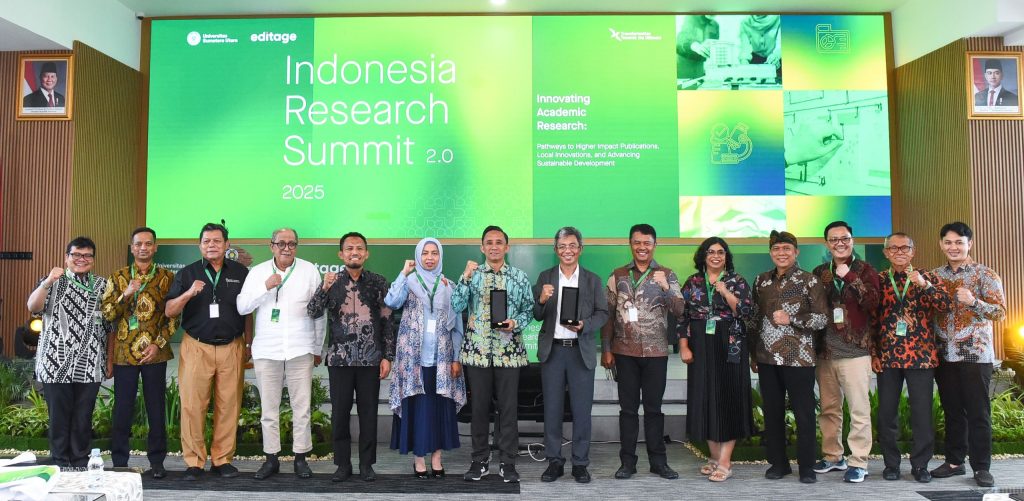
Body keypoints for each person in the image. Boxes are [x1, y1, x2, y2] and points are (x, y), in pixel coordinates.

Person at [237, 228, 325, 480]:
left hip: (300, 347)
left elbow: (319, 311)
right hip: (267, 349)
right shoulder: (257, 272)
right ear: (271, 246)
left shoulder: (309, 270)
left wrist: (317, 347)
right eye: (281, 243)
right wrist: (265, 287)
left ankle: (300, 458)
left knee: (301, 407)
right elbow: (242, 307)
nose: (287, 248)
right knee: (269, 408)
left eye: (292, 244)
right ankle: (271, 458)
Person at [164, 222, 251, 481]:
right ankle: (194, 462)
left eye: (216, 241)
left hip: (232, 345)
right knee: (193, 406)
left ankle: (222, 459)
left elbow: (248, 311)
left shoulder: (240, 272)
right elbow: (169, 310)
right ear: (199, 245)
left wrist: (248, 343)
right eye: (206, 241)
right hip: (196, 346)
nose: (211, 245)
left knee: (229, 406)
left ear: (226, 244)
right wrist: (189, 293)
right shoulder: (187, 273)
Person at [307, 232, 394, 483]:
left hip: (370, 360)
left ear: (366, 253)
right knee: (340, 414)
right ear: (341, 254)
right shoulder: (331, 282)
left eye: (359, 248)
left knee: (369, 414)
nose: (354, 252)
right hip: (339, 360)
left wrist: (388, 356)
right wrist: (324, 288)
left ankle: (367, 465)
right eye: (349, 248)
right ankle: (342, 464)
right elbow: (313, 311)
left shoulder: (378, 282)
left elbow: (388, 320)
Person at [601, 223, 683, 481]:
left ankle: (659, 462)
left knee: (654, 409)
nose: (642, 247)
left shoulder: (667, 274)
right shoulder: (617, 275)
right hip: (624, 352)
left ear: (655, 245)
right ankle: (627, 463)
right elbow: (608, 315)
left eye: (647, 243)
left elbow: (681, 310)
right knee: (627, 410)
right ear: (630, 244)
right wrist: (606, 349)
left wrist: (666, 288)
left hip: (656, 353)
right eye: (637, 242)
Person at [452, 225, 534, 483]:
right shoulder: (473, 275)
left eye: (499, 242)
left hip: (509, 353)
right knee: (478, 409)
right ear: (482, 247)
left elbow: (529, 309)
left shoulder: (519, 277)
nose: (494, 246)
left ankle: (508, 462)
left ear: (507, 247)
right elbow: (456, 304)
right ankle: (479, 461)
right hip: (477, 353)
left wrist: (515, 323)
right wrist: (465, 277)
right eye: (489, 242)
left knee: (508, 410)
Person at [929, 222, 1006, 488]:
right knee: (952, 411)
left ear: (969, 244)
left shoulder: (985, 274)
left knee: (978, 413)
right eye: (948, 242)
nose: (954, 247)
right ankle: (954, 462)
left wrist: (974, 301)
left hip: (975, 354)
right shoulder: (934, 276)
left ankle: (981, 467)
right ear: (941, 244)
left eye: (959, 242)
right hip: (944, 354)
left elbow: (1000, 313)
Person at [749, 230, 828, 484]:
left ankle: (807, 467)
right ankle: (779, 464)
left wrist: (791, 319)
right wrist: (753, 353)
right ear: (770, 253)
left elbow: (822, 319)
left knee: (804, 413)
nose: (781, 253)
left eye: (786, 249)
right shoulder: (760, 281)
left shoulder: (810, 280)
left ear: (796, 252)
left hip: (799, 358)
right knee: (772, 412)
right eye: (776, 249)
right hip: (767, 357)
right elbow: (754, 319)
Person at [533, 227, 609, 484]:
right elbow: (536, 315)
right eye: (562, 246)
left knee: (582, 411)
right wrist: (541, 300)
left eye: (572, 245)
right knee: (552, 410)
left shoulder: (592, 280)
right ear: (556, 250)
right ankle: (554, 461)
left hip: (580, 352)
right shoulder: (545, 277)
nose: (568, 250)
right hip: (553, 352)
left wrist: (585, 325)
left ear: (580, 249)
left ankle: (580, 463)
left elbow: (603, 313)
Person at [873, 232, 951, 483]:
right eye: (893, 248)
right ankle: (891, 465)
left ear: (913, 251)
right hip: (888, 357)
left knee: (921, 414)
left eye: (904, 248)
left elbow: (945, 306)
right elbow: (871, 320)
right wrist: (873, 353)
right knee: (887, 414)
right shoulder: (878, 280)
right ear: (886, 253)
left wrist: (925, 285)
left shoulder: (927, 276)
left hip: (921, 356)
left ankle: (920, 465)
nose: (899, 252)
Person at [385, 238, 466, 479]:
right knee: (417, 409)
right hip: (413, 361)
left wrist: (456, 358)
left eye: (434, 253)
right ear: (418, 256)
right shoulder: (408, 282)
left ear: (440, 257)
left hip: (441, 360)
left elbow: (457, 325)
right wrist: (403, 272)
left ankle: (437, 459)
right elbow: (391, 302)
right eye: (425, 253)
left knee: (439, 409)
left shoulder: (448, 285)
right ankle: (419, 460)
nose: (430, 258)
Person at [100, 227, 177, 478]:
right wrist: (126, 294)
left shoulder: (167, 277)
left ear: (155, 247)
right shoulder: (118, 277)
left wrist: (158, 344)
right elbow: (107, 314)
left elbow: (174, 317)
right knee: (122, 408)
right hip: (125, 354)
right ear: (132, 248)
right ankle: (120, 462)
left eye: (148, 244)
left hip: (156, 354)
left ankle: (157, 463)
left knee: (156, 408)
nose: (143, 248)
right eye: (138, 244)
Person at [27, 236, 108, 467]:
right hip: (56, 362)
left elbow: (110, 324)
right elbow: (33, 307)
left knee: (83, 416)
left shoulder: (102, 285)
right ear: (67, 257)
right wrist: (47, 282)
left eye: (87, 255)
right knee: (59, 417)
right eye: (76, 255)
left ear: (93, 259)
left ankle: (80, 461)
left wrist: (109, 360)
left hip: (90, 362)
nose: (82, 259)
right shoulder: (53, 281)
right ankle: (60, 462)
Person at [677, 236, 754, 483]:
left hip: (730, 342)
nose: (716, 256)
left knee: (728, 397)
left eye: (721, 252)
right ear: (703, 256)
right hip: (700, 343)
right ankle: (713, 456)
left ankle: (725, 461)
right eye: (711, 252)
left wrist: (725, 292)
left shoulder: (736, 281)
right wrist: (684, 346)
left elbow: (746, 312)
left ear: (726, 256)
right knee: (704, 396)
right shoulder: (693, 282)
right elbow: (682, 317)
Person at [810, 221, 881, 483]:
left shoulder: (866, 270)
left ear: (852, 240)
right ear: (827, 243)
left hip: (856, 352)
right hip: (825, 352)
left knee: (859, 409)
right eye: (834, 239)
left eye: (845, 238)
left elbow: (873, 302)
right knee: (829, 409)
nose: (840, 243)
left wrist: (849, 276)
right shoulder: (820, 272)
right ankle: (833, 456)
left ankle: (859, 461)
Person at [676, 15, 720, 83]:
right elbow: (682, 37)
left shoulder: (715, 25)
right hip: (684, 64)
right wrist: (694, 45)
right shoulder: (691, 17)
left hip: (700, 66)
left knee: (698, 87)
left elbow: (714, 43)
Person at [739, 15, 782, 82]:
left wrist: (776, 56)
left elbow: (781, 44)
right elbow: (745, 48)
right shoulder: (745, 22)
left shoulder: (779, 19)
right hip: (755, 61)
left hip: (776, 60)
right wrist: (744, 64)